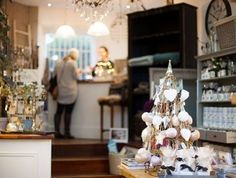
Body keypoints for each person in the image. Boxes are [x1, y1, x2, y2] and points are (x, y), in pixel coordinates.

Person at [54, 48, 81, 139]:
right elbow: (76, 76)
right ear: (75, 55)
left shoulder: (59, 63)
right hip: (71, 91)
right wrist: (79, 72)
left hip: (61, 91)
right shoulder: (73, 63)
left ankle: (56, 131)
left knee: (59, 111)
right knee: (68, 112)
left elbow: (54, 75)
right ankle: (67, 133)